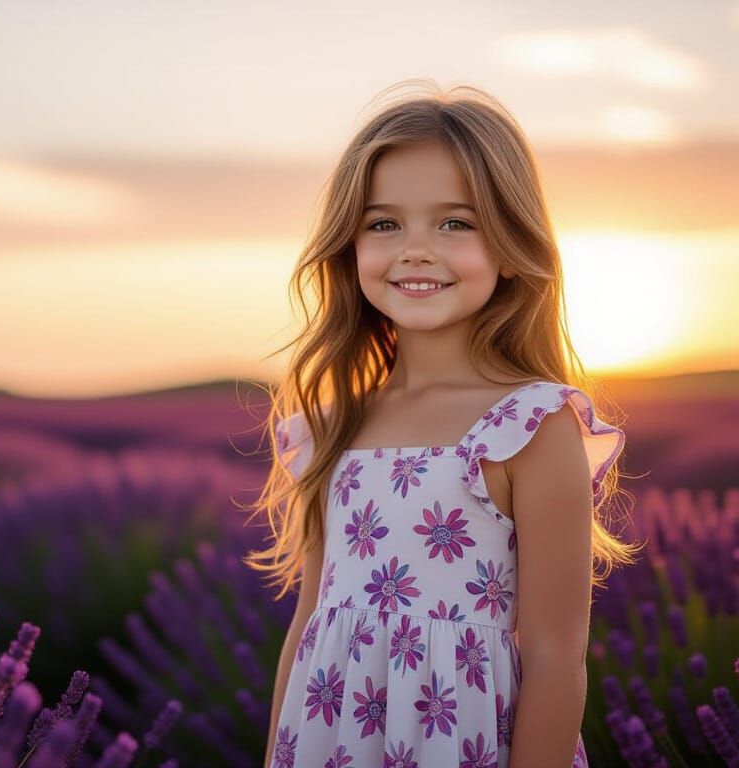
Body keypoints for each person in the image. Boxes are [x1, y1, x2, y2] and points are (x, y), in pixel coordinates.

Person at [245, 80, 642, 768]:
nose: (417, 249)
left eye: (455, 223)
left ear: (510, 244)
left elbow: (555, 658)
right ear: (349, 245)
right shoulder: (331, 426)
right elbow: (309, 624)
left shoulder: (528, 424)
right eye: (384, 223)